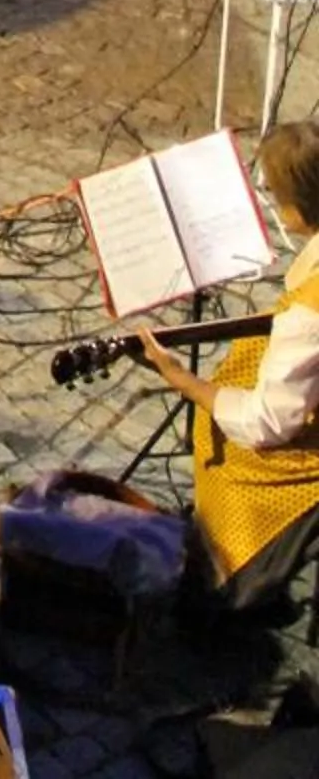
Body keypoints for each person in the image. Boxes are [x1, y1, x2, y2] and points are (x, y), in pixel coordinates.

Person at [136, 119, 319, 607]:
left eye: (277, 195)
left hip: (304, 458)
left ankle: (231, 579)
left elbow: (266, 422)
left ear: (301, 205)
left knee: (220, 438)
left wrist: (183, 380)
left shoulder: (309, 314)